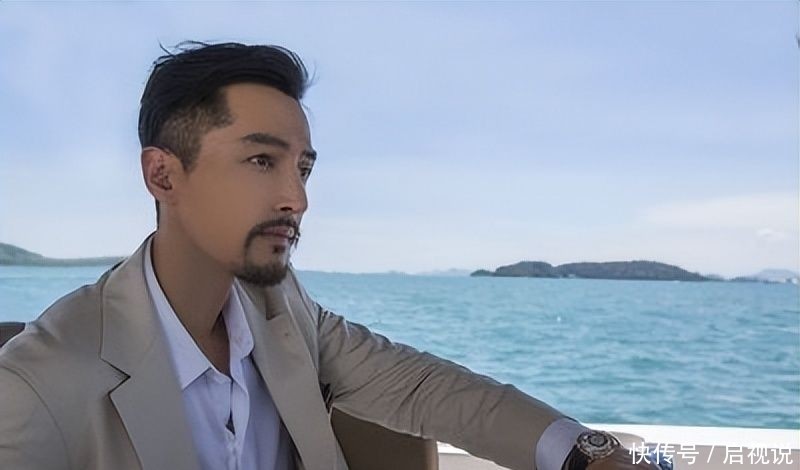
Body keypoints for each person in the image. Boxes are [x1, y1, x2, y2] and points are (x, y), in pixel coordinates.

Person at [0, 42, 660, 470]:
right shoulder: (38, 386)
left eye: (303, 169)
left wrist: (588, 451)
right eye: (262, 161)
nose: (296, 199)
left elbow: (420, 386)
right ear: (163, 175)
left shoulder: (279, 307)